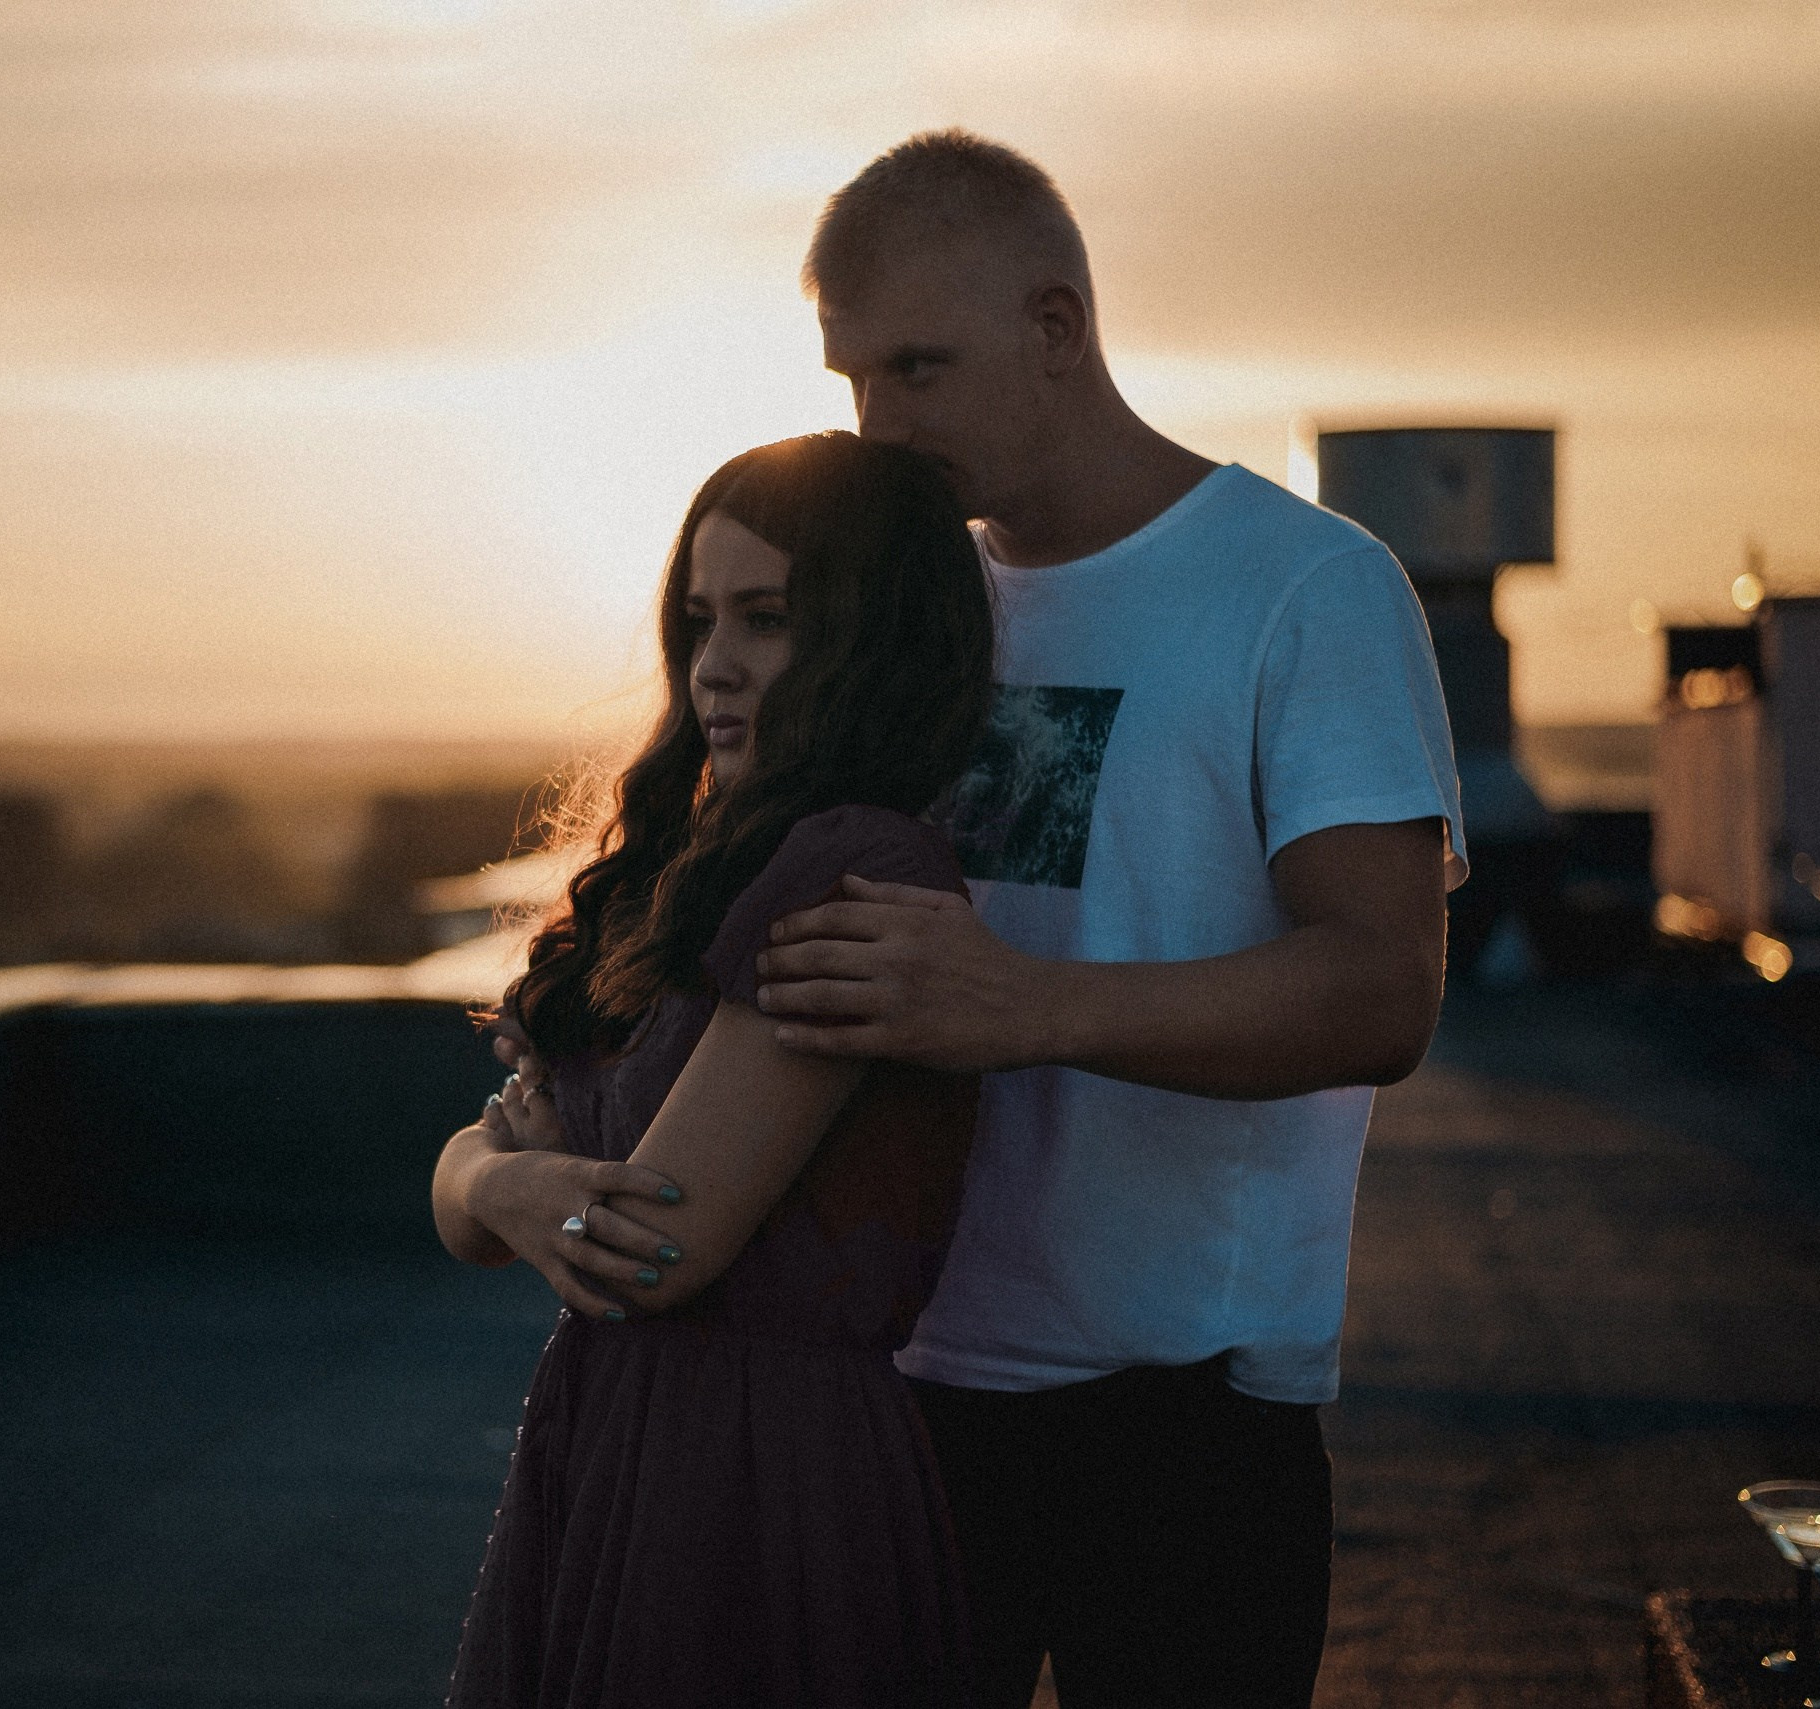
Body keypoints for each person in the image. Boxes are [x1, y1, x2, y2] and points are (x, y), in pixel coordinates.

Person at [573, 132, 1468, 1707]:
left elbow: (1380, 990)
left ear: (1058, 328)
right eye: (855, 379)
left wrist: (1030, 1006)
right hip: (886, 1396)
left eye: (920, 365)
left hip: (1181, 1415)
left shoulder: (1302, 588)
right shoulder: (904, 598)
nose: (881, 427)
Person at [430, 431, 997, 1708]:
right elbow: (484, 1188)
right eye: (697, 620)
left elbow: (648, 1246)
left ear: (874, 637)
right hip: (625, 1429)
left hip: (758, 1477)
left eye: (766, 617)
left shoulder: (859, 868)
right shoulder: (693, 868)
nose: (713, 666)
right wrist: (502, 1184)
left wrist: (517, 1181)